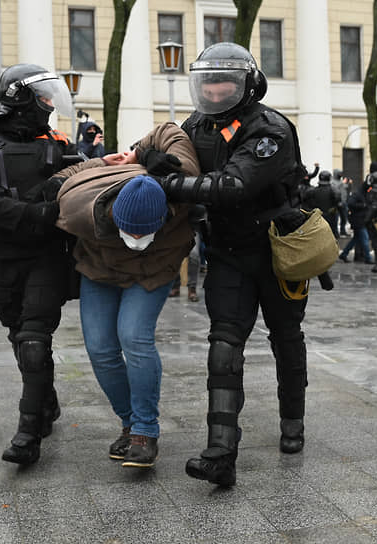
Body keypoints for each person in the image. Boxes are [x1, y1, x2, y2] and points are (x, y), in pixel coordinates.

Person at [157, 42, 311, 487]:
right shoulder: (198, 124)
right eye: (208, 81)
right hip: (227, 253)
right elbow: (177, 152)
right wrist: (153, 159)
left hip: (280, 252)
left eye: (225, 81)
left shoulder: (270, 129)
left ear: (248, 85)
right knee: (223, 346)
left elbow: (234, 185)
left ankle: (292, 423)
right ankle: (220, 453)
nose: (216, 89)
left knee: (286, 338)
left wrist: (169, 182)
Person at [55, 123, 199, 467]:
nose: (136, 237)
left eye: (144, 231)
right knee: (100, 347)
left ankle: (145, 431)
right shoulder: (79, 209)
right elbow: (68, 174)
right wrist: (103, 162)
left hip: (154, 268)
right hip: (100, 267)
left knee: (134, 337)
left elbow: (168, 131)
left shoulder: (181, 183)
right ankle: (128, 421)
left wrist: (143, 152)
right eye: (128, 231)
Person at [0, 64, 76, 465]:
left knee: (35, 340)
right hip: (4, 257)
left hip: (46, 257)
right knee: (18, 335)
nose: (49, 104)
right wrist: (36, 214)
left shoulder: (58, 146)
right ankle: (47, 402)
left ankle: (28, 434)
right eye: (43, 96)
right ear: (21, 98)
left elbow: (84, 181)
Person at [338, 180, 373, 264]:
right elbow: (350, 203)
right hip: (358, 220)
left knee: (355, 239)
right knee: (364, 238)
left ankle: (344, 254)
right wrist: (363, 205)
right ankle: (368, 258)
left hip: (359, 220)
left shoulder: (363, 194)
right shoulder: (358, 194)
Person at [303, 170, 341, 238]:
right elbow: (338, 202)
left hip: (318, 219)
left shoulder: (312, 191)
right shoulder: (333, 190)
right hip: (329, 219)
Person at [332, 170, 350, 236]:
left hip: (343, 202)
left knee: (344, 218)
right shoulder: (332, 182)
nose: (341, 175)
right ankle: (336, 232)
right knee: (336, 219)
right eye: (339, 174)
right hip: (337, 203)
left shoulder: (340, 182)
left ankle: (343, 231)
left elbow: (344, 189)